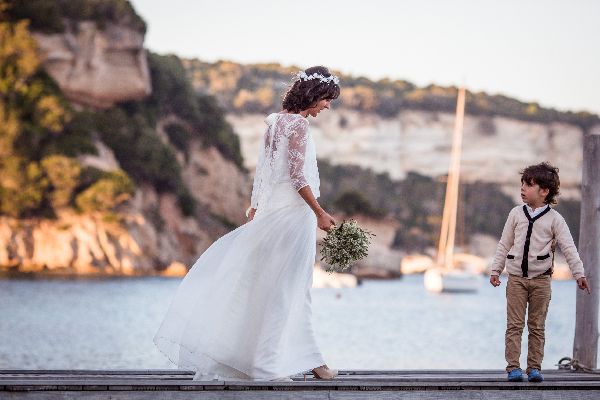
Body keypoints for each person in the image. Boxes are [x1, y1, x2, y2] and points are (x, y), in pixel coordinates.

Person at [154, 66, 340, 381]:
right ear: (314, 94)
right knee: (289, 290)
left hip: (273, 213)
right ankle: (270, 366)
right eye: (327, 100)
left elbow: (263, 171)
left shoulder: (273, 123)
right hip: (292, 217)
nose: (327, 107)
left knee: (272, 289)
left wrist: (255, 207)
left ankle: (306, 360)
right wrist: (319, 212)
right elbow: (296, 176)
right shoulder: (298, 126)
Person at [489, 162, 590, 383]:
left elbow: (569, 248)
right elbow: (504, 244)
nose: (523, 188)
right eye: (522, 184)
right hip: (516, 279)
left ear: (544, 191)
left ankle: (534, 367)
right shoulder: (516, 214)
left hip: (541, 282)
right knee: (514, 325)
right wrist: (496, 270)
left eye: (529, 184)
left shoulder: (555, 220)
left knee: (537, 326)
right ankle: (513, 368)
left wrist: (579, 274)